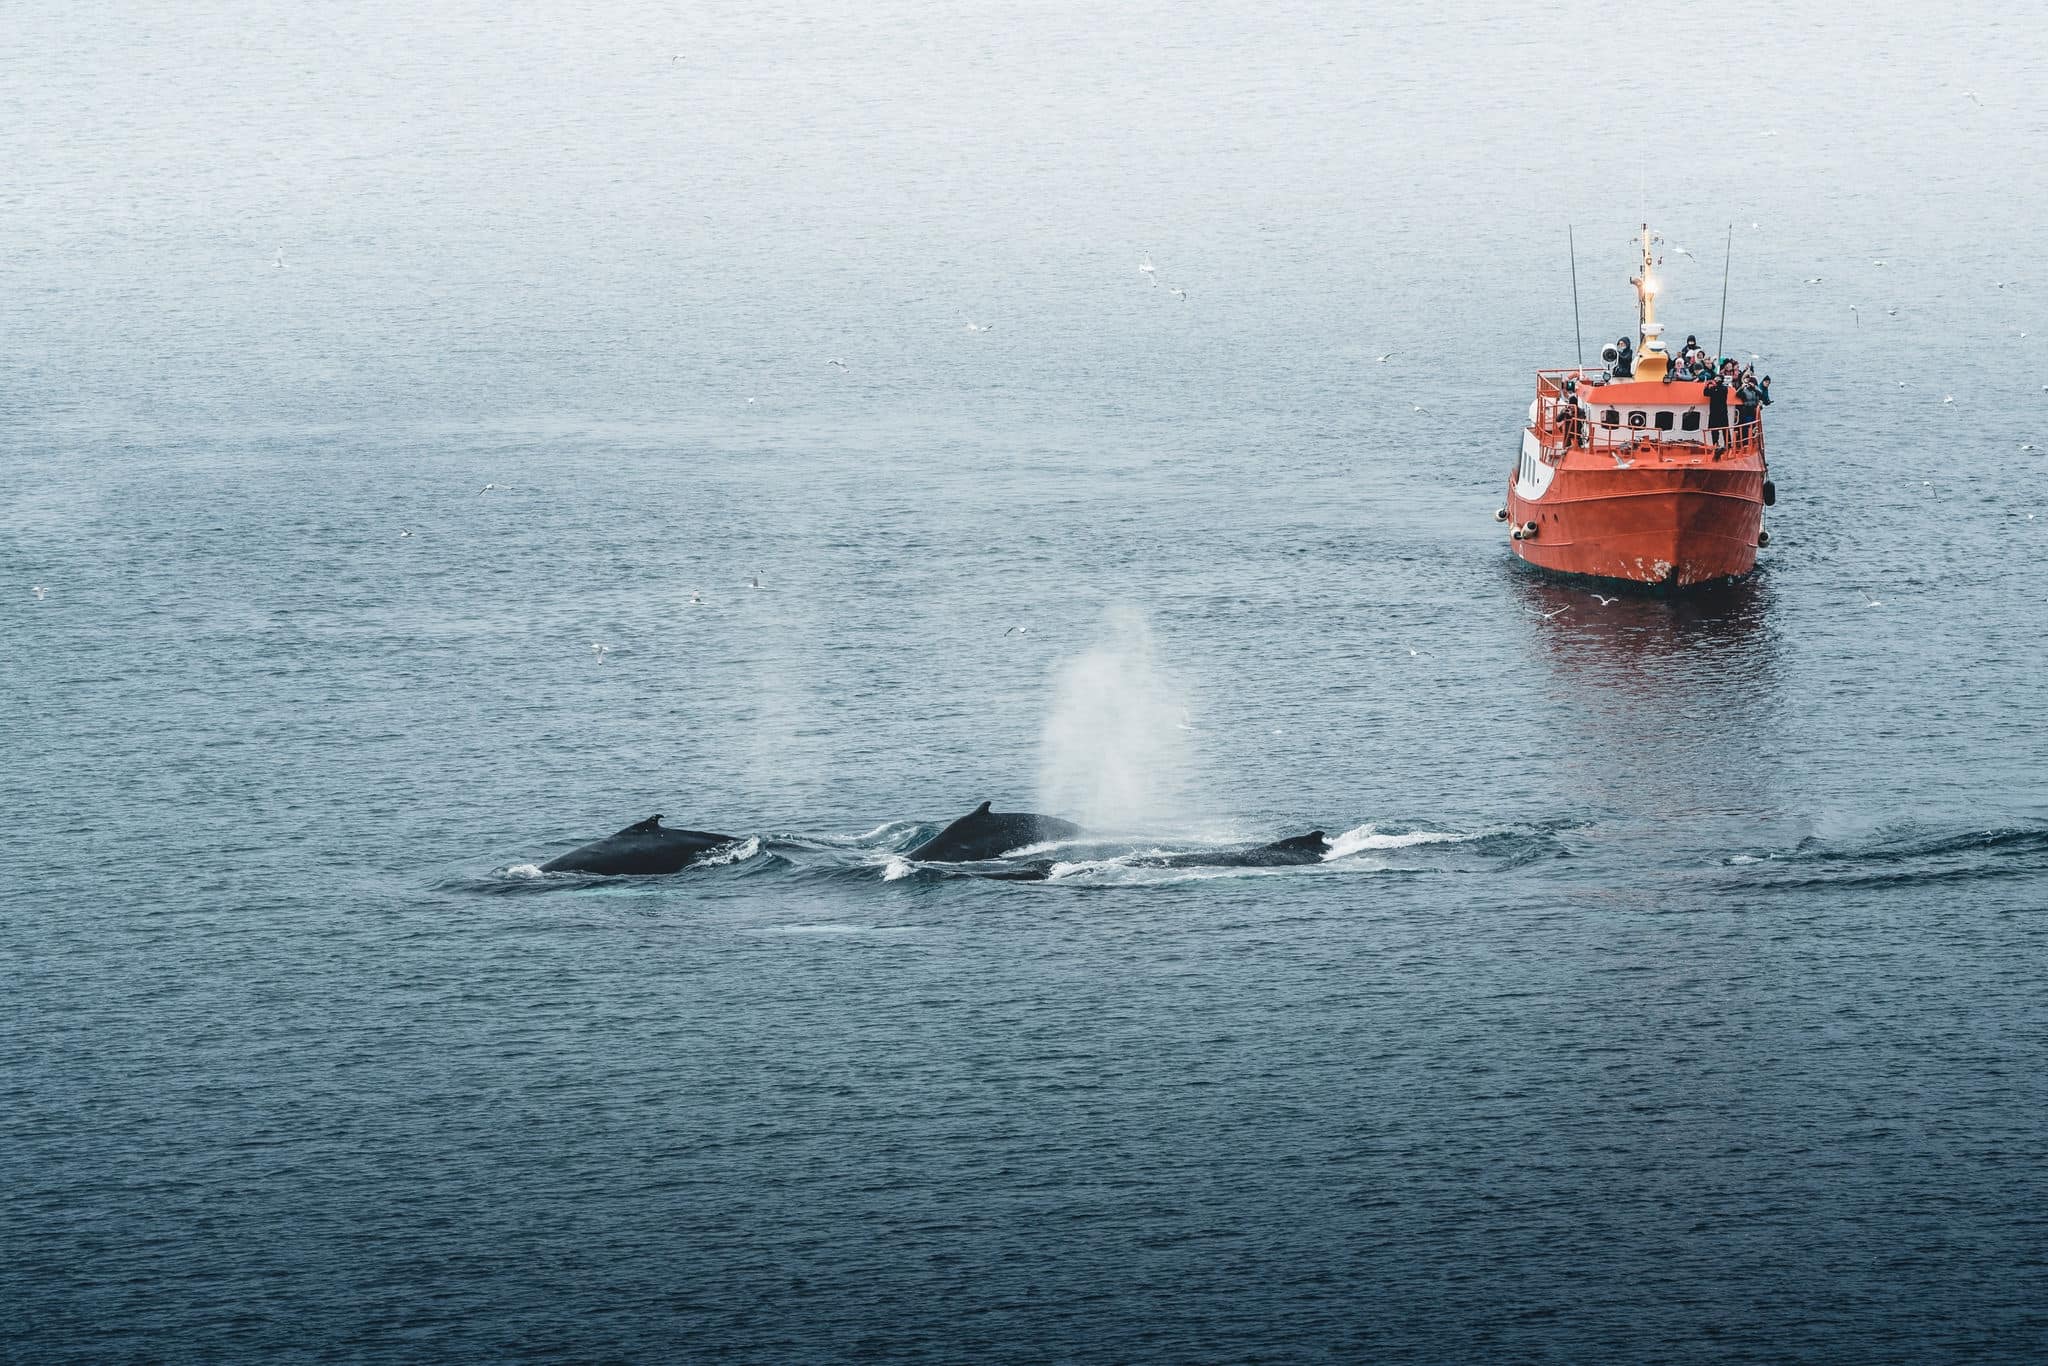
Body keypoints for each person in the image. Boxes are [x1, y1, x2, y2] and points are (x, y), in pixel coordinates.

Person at [1702, 370, 1730, 450]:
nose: (1716, 380)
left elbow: (1706, 393)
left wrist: (1707, 385)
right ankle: (1719, 443)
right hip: (1719, 412)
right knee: (1718, 430)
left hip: (1718, 412)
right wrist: (1709, 385)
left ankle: (1724, 444)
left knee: (1722, 429)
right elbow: (1706, 393)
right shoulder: (1722, 389)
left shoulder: (1721, 389)